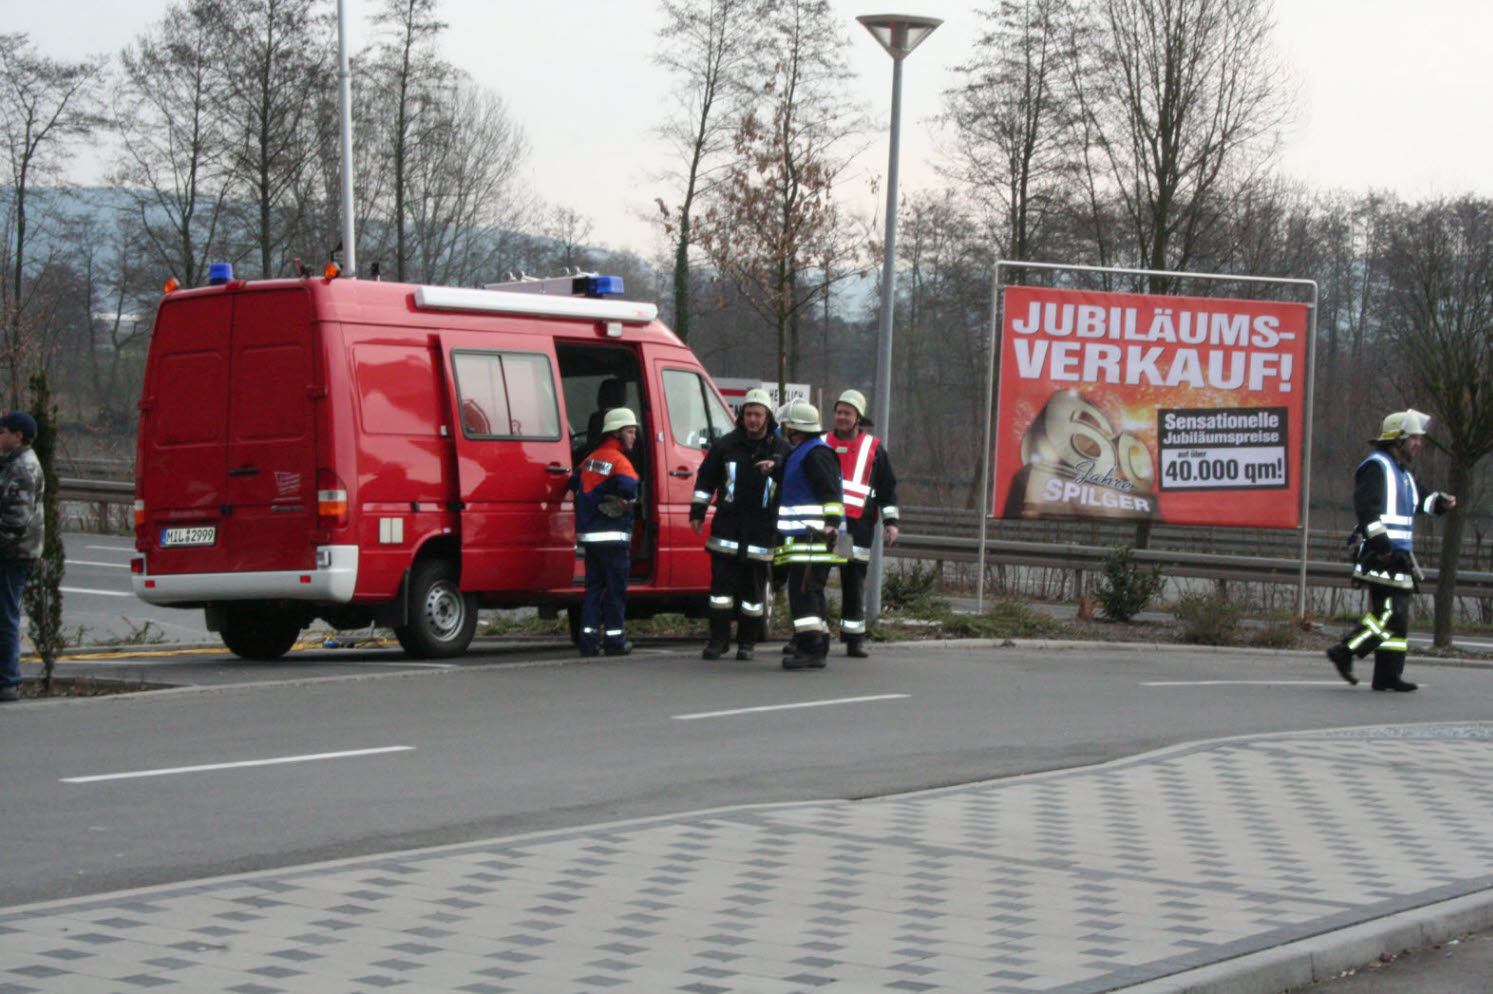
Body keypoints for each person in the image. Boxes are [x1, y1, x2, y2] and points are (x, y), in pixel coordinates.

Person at [1326, 409, 1455, 692]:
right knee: (1391, 613)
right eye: (1414, 438)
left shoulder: (1403, 472)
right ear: (1397, 440)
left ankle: (1388, 675)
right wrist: (1382, 546)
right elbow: (1367, 510)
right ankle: (1345, 651)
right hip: (1381, 554)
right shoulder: (1376, 467)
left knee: (1399, 619)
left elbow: (1421, 501)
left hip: (1399, 556)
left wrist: (1441, 502)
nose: (1418, 443)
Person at [691, 389, 790, 661]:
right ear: (741, 416)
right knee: (720, 593)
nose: (752, 420)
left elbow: (792, 482)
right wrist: (697, 511)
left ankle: (747, 643)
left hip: (761, 530)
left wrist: (777, 467)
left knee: (753, 595)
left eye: (758, 414)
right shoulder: (725, 445)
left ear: (768, 417)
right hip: (727, 527)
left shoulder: (780, 449)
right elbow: (705, 480)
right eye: (748, 414)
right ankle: (718, 641)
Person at [773, 400, 845, 670]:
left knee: (804, 593)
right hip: (807, 538)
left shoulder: (816, 454)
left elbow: (831, 492)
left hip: (815, 538)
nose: (787, 430)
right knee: (809, 591)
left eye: (789, 426)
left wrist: (832, 523)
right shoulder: (804, 452)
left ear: (796, 428)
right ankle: (817, 645)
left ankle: (811, 649)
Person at [828, 389, 900, 657]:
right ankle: (811, 637)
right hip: (826, 525)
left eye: (847, 413)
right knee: (814, 581)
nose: (841, 417)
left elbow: (887, 489)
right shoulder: (822, 442)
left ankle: (854, 638)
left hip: (855, 527)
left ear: (858, 417)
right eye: (838, 412)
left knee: (852, 582)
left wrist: (891, 521)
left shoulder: (874, 448)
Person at [571, 407, 641, 658]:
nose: (634, 437)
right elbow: (630, 489)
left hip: (591, 539)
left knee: (593, 590)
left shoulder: (590, 459)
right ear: (617, 433)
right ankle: (615, 641)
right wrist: (625, 502)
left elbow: (573, 482)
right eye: (630, 432)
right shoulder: (620, 461)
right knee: (615, 591)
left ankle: (588, 642)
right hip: (613, 537)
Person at [0, 411, 43, 703]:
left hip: (13, 554)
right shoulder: (10, 463)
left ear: (18, 436)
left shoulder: (23, 468)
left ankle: (8, 682)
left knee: (5, 617)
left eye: (2, 431)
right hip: (9, 552)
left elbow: (16, 521)